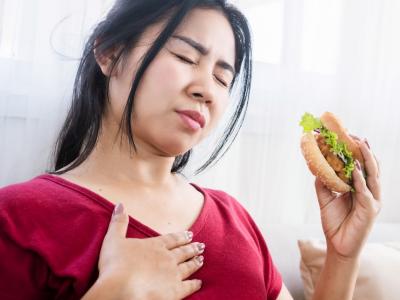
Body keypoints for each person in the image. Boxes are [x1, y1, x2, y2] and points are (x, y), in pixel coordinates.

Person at [0, 1, 381, 299]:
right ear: (111, 52)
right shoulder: (17, 218)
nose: (206, 89)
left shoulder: (234, 219)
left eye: (222, 77)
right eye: (185, 57)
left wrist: (342, 257)